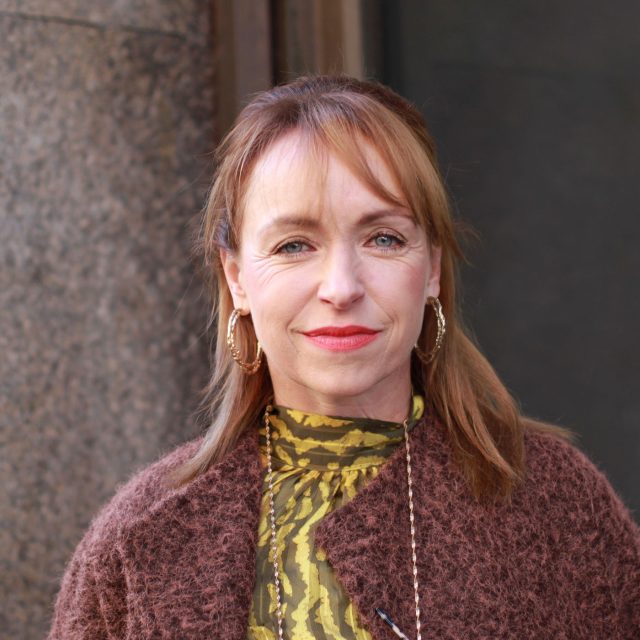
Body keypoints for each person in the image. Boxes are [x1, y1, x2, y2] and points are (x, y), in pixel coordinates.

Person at [48, 75, 639, 640]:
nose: (341, 287)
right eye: (294, 245)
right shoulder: (137, 539)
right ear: (237, 278)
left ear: (432, 268)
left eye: (383, 238)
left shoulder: (556, 503)